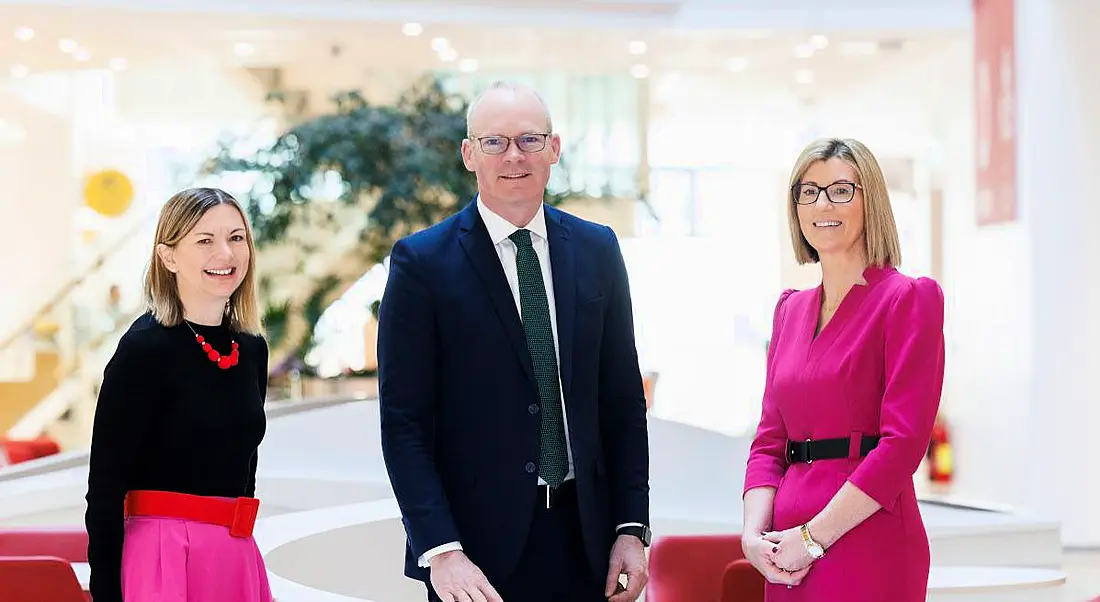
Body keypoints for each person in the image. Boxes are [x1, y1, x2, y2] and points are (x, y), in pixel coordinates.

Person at [377, 80, 651, 602]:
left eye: (529, 139)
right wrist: (441, 550)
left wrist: (631, 527)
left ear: (554, 149)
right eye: (494, 142)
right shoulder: (422, 263)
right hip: (474, 557)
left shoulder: (598, 249)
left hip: (586, 540)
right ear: (468, 153)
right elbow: (404, 422)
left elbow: (621, 401)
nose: (513, 156)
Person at [741, 138, 945, 601]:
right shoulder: (789, 310)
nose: (822, 204)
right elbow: (768, 443)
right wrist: (754, 536)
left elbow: (903, 446)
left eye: (839, 190)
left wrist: (812, 539)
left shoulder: (908, 299)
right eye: (808, 191)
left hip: (866, 541)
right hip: (785, 554)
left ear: (869, 199)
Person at [85, 187, 272, 602]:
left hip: (235, 552)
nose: (225, 253)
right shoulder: (144, 349)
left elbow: (245, 469)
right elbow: (104, 488)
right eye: (204, 240)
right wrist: (106, 594)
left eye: (236, 237)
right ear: (168, 257)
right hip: (161, 554)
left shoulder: (252, 347)